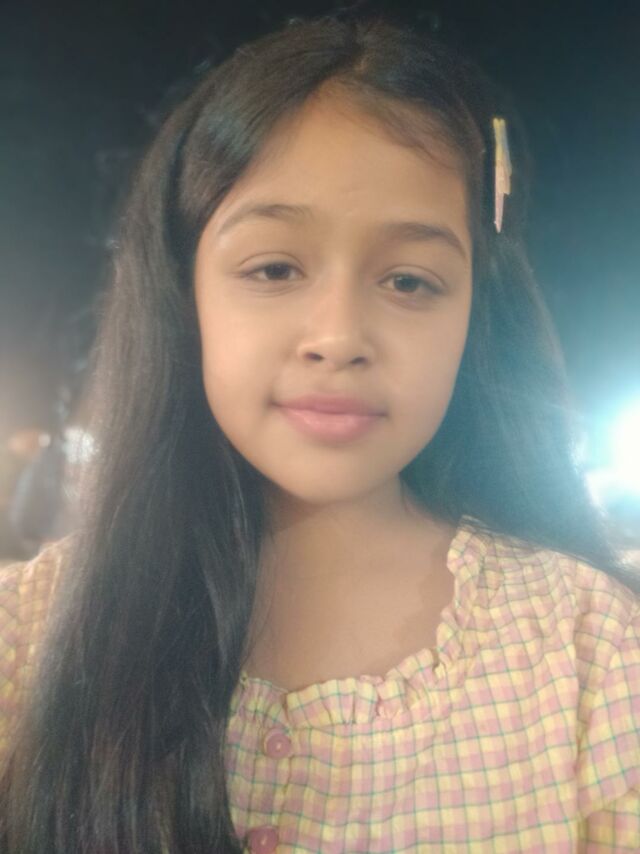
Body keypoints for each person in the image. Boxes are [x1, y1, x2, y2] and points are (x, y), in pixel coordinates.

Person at [0, 13, 638, 853]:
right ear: (183, 296)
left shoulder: (591, 651)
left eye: (409, 281)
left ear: (474, 319)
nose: (338, 336)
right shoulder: (30, 638)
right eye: (274, 268)